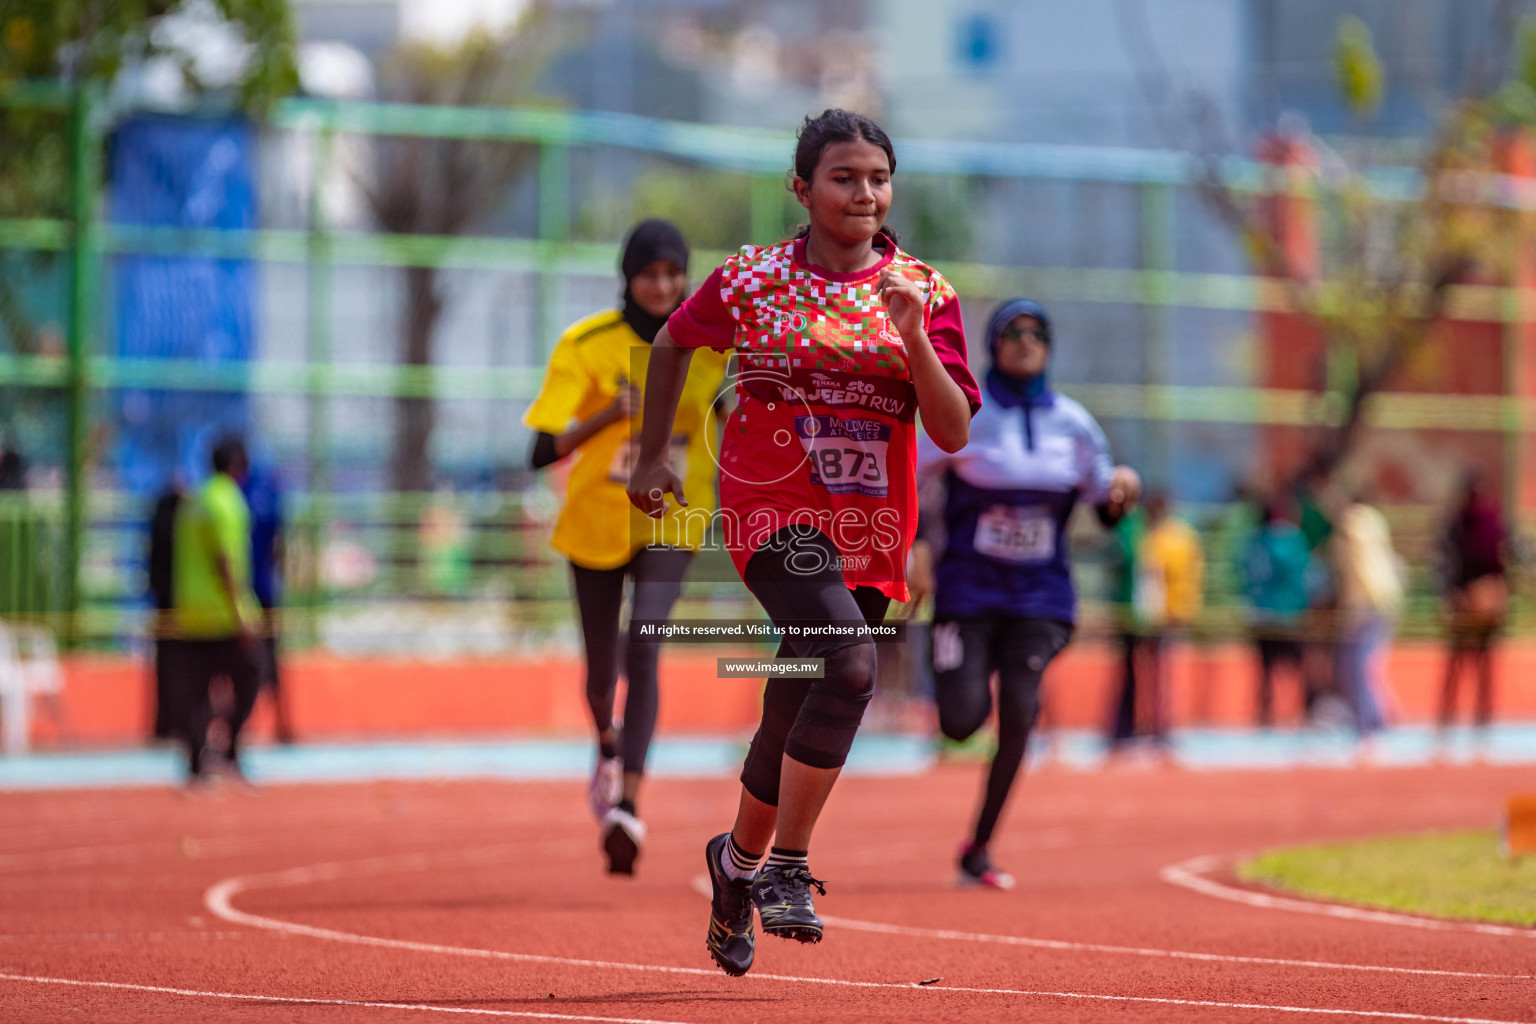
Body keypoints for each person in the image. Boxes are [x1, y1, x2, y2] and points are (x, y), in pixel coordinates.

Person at [628, 109, 980, 976]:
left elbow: (955, 430)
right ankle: (787, 864)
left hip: (870, 525)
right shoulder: (752, 278)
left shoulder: (927, 292)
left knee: (792, 704)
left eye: (877, 179)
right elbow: (673, 342)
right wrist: (651, 454)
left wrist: (908, 337)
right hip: (769, 506)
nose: (864, 194)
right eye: (843, 178)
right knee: (851, 666)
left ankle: (734, 866)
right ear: (802, 189)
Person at [910, 298, 1138, 889]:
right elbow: (909, 479)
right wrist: (915, 548)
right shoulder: (966, 415)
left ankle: (979, 848)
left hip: (1041, 596)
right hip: (967, 591)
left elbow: (1102, 501)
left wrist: (1120, 494)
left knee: (1019, 713)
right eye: (1013, 331)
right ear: (993, 343)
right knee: (961, 722)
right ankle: (957, 698)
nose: (1026, 341)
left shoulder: (1075, 424)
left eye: (1038, 332)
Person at [524, 218, 729, 875]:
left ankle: (629, 808)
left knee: (646, 644)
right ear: (628, 278)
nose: (663, 286)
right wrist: (609, 417)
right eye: (650, 274)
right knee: (600, 671)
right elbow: (537, 451)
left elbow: (741, 422)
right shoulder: (586, 346)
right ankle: (607, 746)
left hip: (672, 517)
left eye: (674, 274)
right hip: (596, 521)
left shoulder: (712, 348)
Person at [170, 436, 262, 784]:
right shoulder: (227, 502)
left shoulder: (194, 500)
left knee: (197, 691)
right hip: (222, 614)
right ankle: (230, 748)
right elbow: (225, 559)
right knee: (252, 676)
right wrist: (241, 612)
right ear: (239, 466)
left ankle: (197, 762)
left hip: (190, 612)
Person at [1439, 471, 1509, 733]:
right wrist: (1452, 593)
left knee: (1484, 663)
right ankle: (1447, 718)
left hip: (1487, 598)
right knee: (1456, 662)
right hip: (1461, 599)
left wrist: (1496, 592)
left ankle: (1483, 719)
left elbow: (1505, 559)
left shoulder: (1494, 521)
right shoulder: (1457, 523)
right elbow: (1445, 561)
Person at [1329, 493, 1403, 738]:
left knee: (1356, 669)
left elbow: (1361, 569)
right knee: (1365, 668)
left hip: (1365, 607)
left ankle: (1369, 724)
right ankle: (1378, 716)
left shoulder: (1354, 524)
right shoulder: (1375, 523)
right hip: (1379, 603)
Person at [1242, 494, 1317, 727]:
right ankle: (1306, 714)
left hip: (1262, 613)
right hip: (1290, 614)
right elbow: (1304, 576)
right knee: (1301, 667)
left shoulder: (1255, 541)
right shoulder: (1294, 540)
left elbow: (1246, 575)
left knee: (1265, 671)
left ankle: (1265, 715)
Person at [242, 459, 295, 744]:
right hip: (264, 590)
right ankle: (281, 724)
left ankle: (267, 724)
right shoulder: (269, 499)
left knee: (243, 662)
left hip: (245, 593)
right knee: (270, 658)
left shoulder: (237, 497)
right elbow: (278, 547)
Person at [147, 478, 185, 740]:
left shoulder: (161, 521)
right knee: (183, 669)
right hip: (182, 606)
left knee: (169, 667)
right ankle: (172, 722)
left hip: (169, 602)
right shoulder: (181, 522)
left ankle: (167, 723)